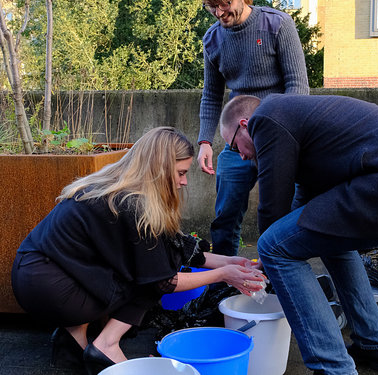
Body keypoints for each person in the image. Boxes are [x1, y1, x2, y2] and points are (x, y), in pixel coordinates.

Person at [218, 94, 378, 374]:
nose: (242, 156)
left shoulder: (266, 118)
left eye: (234, 147)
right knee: (324, 231)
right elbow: (303, 207)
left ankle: (333, 367)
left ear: (245, 124)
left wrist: (265, 263)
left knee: (273, 247)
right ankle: (374, 346)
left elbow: (272, 208)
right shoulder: (298, 121)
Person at [11, 127, 265, 375]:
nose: (184, 181)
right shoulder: (132, 206)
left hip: (32, 277)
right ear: (159, 169)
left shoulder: (116, 188)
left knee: (146, 267)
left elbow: (177, 248)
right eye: (180, 173)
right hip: (53, 291)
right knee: (149, 281)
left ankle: (71, 340)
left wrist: (231, 262)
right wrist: (223, 275)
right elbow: (163, 282)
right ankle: (106, 345)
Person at [197, 0, 309, 256]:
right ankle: (224, 282)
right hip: (238, 142)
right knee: (225, 217)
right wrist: (205, 141)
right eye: (211, 6)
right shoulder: (213, 39)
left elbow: (298, 85)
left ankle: (280, 276)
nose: (219, 12)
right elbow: (211, 95)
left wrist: (282, 134)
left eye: (224, 3)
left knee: (279, 216)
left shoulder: (277, 24)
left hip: (280, 140)